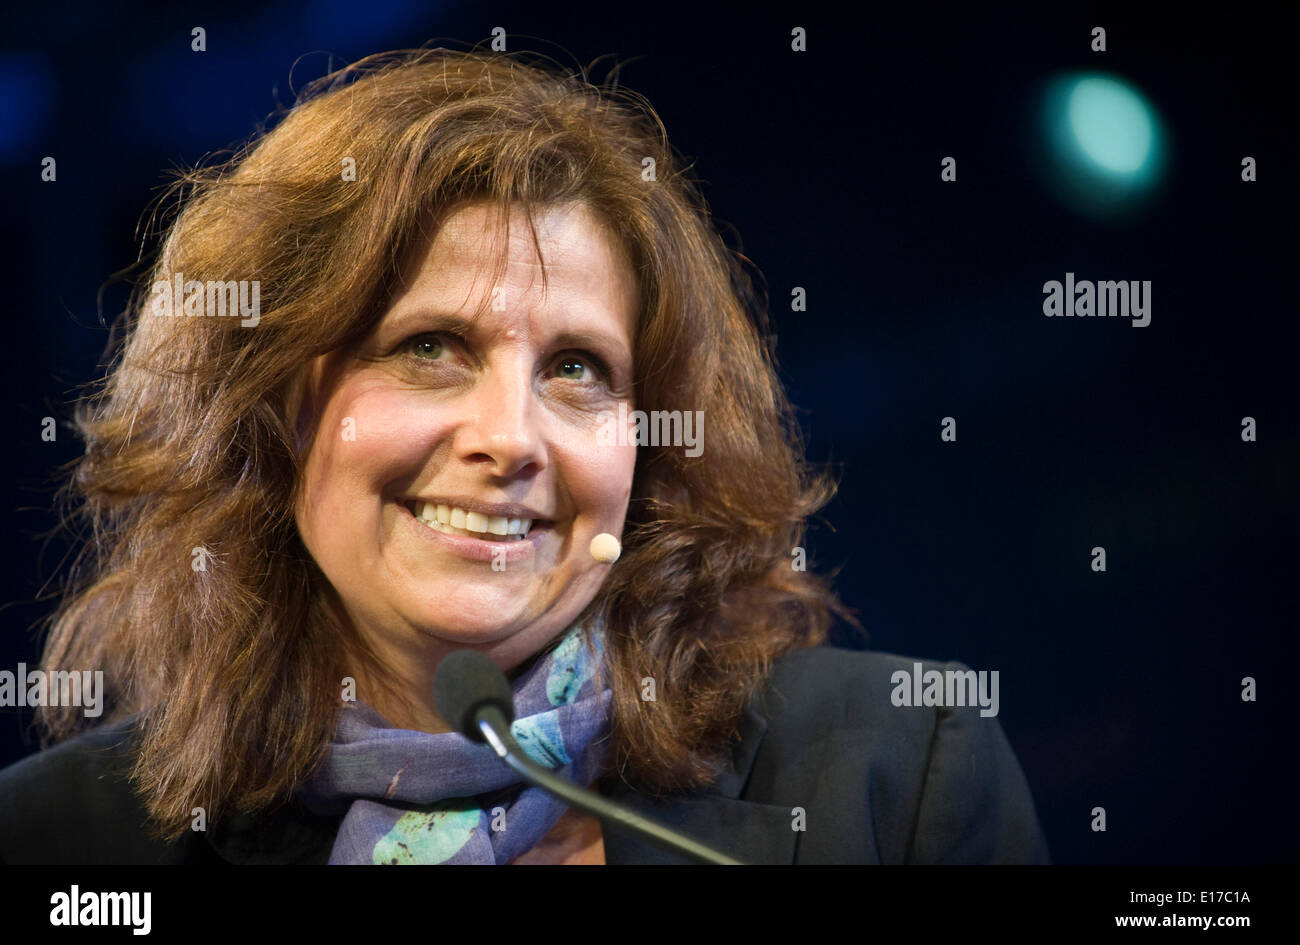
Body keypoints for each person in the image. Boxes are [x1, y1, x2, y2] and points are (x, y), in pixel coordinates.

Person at [0, 46, 1049, 864]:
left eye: (579, 370)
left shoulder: (898, 773)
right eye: (427, 348)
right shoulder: (60, 841)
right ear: (273, 408)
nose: (509, 438)